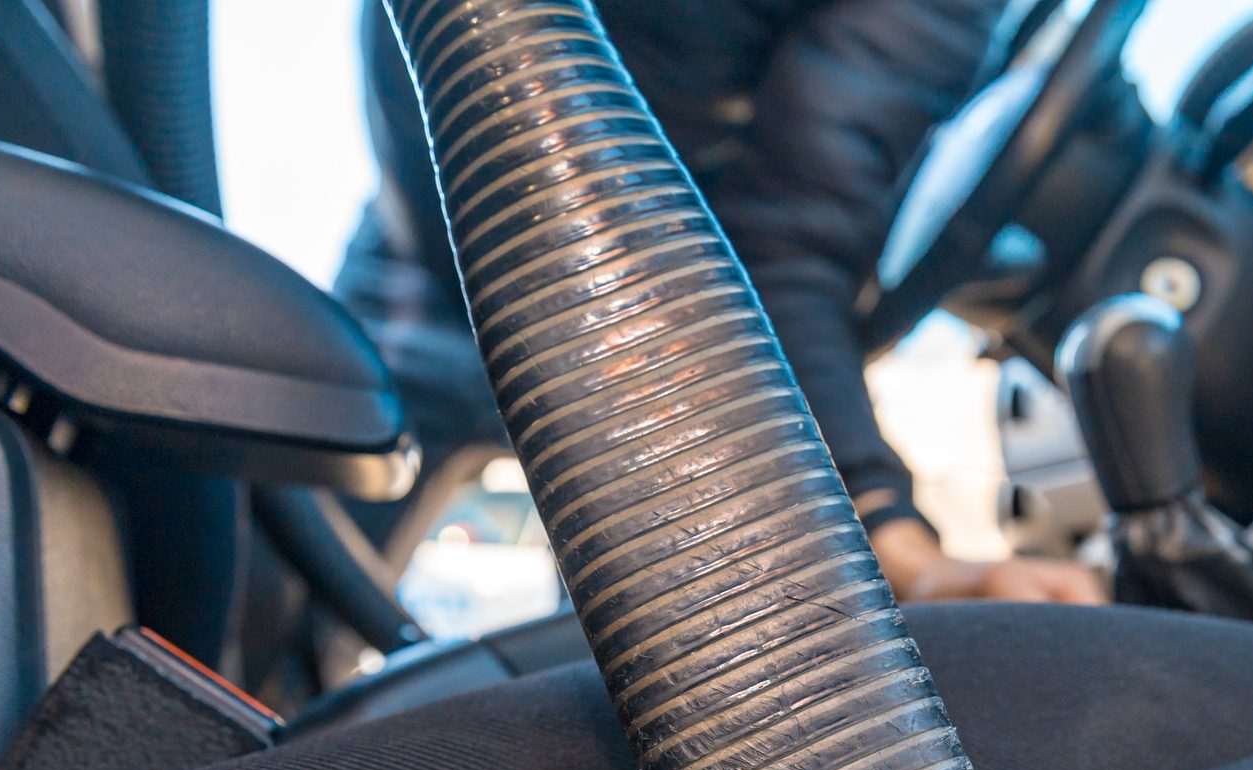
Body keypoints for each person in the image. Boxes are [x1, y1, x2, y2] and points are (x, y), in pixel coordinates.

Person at [342, 0, 1107, 605]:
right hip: (428, 256)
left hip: (663, 314)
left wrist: (886, 530)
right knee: (293, 559)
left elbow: (791, 239)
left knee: (651, 672)